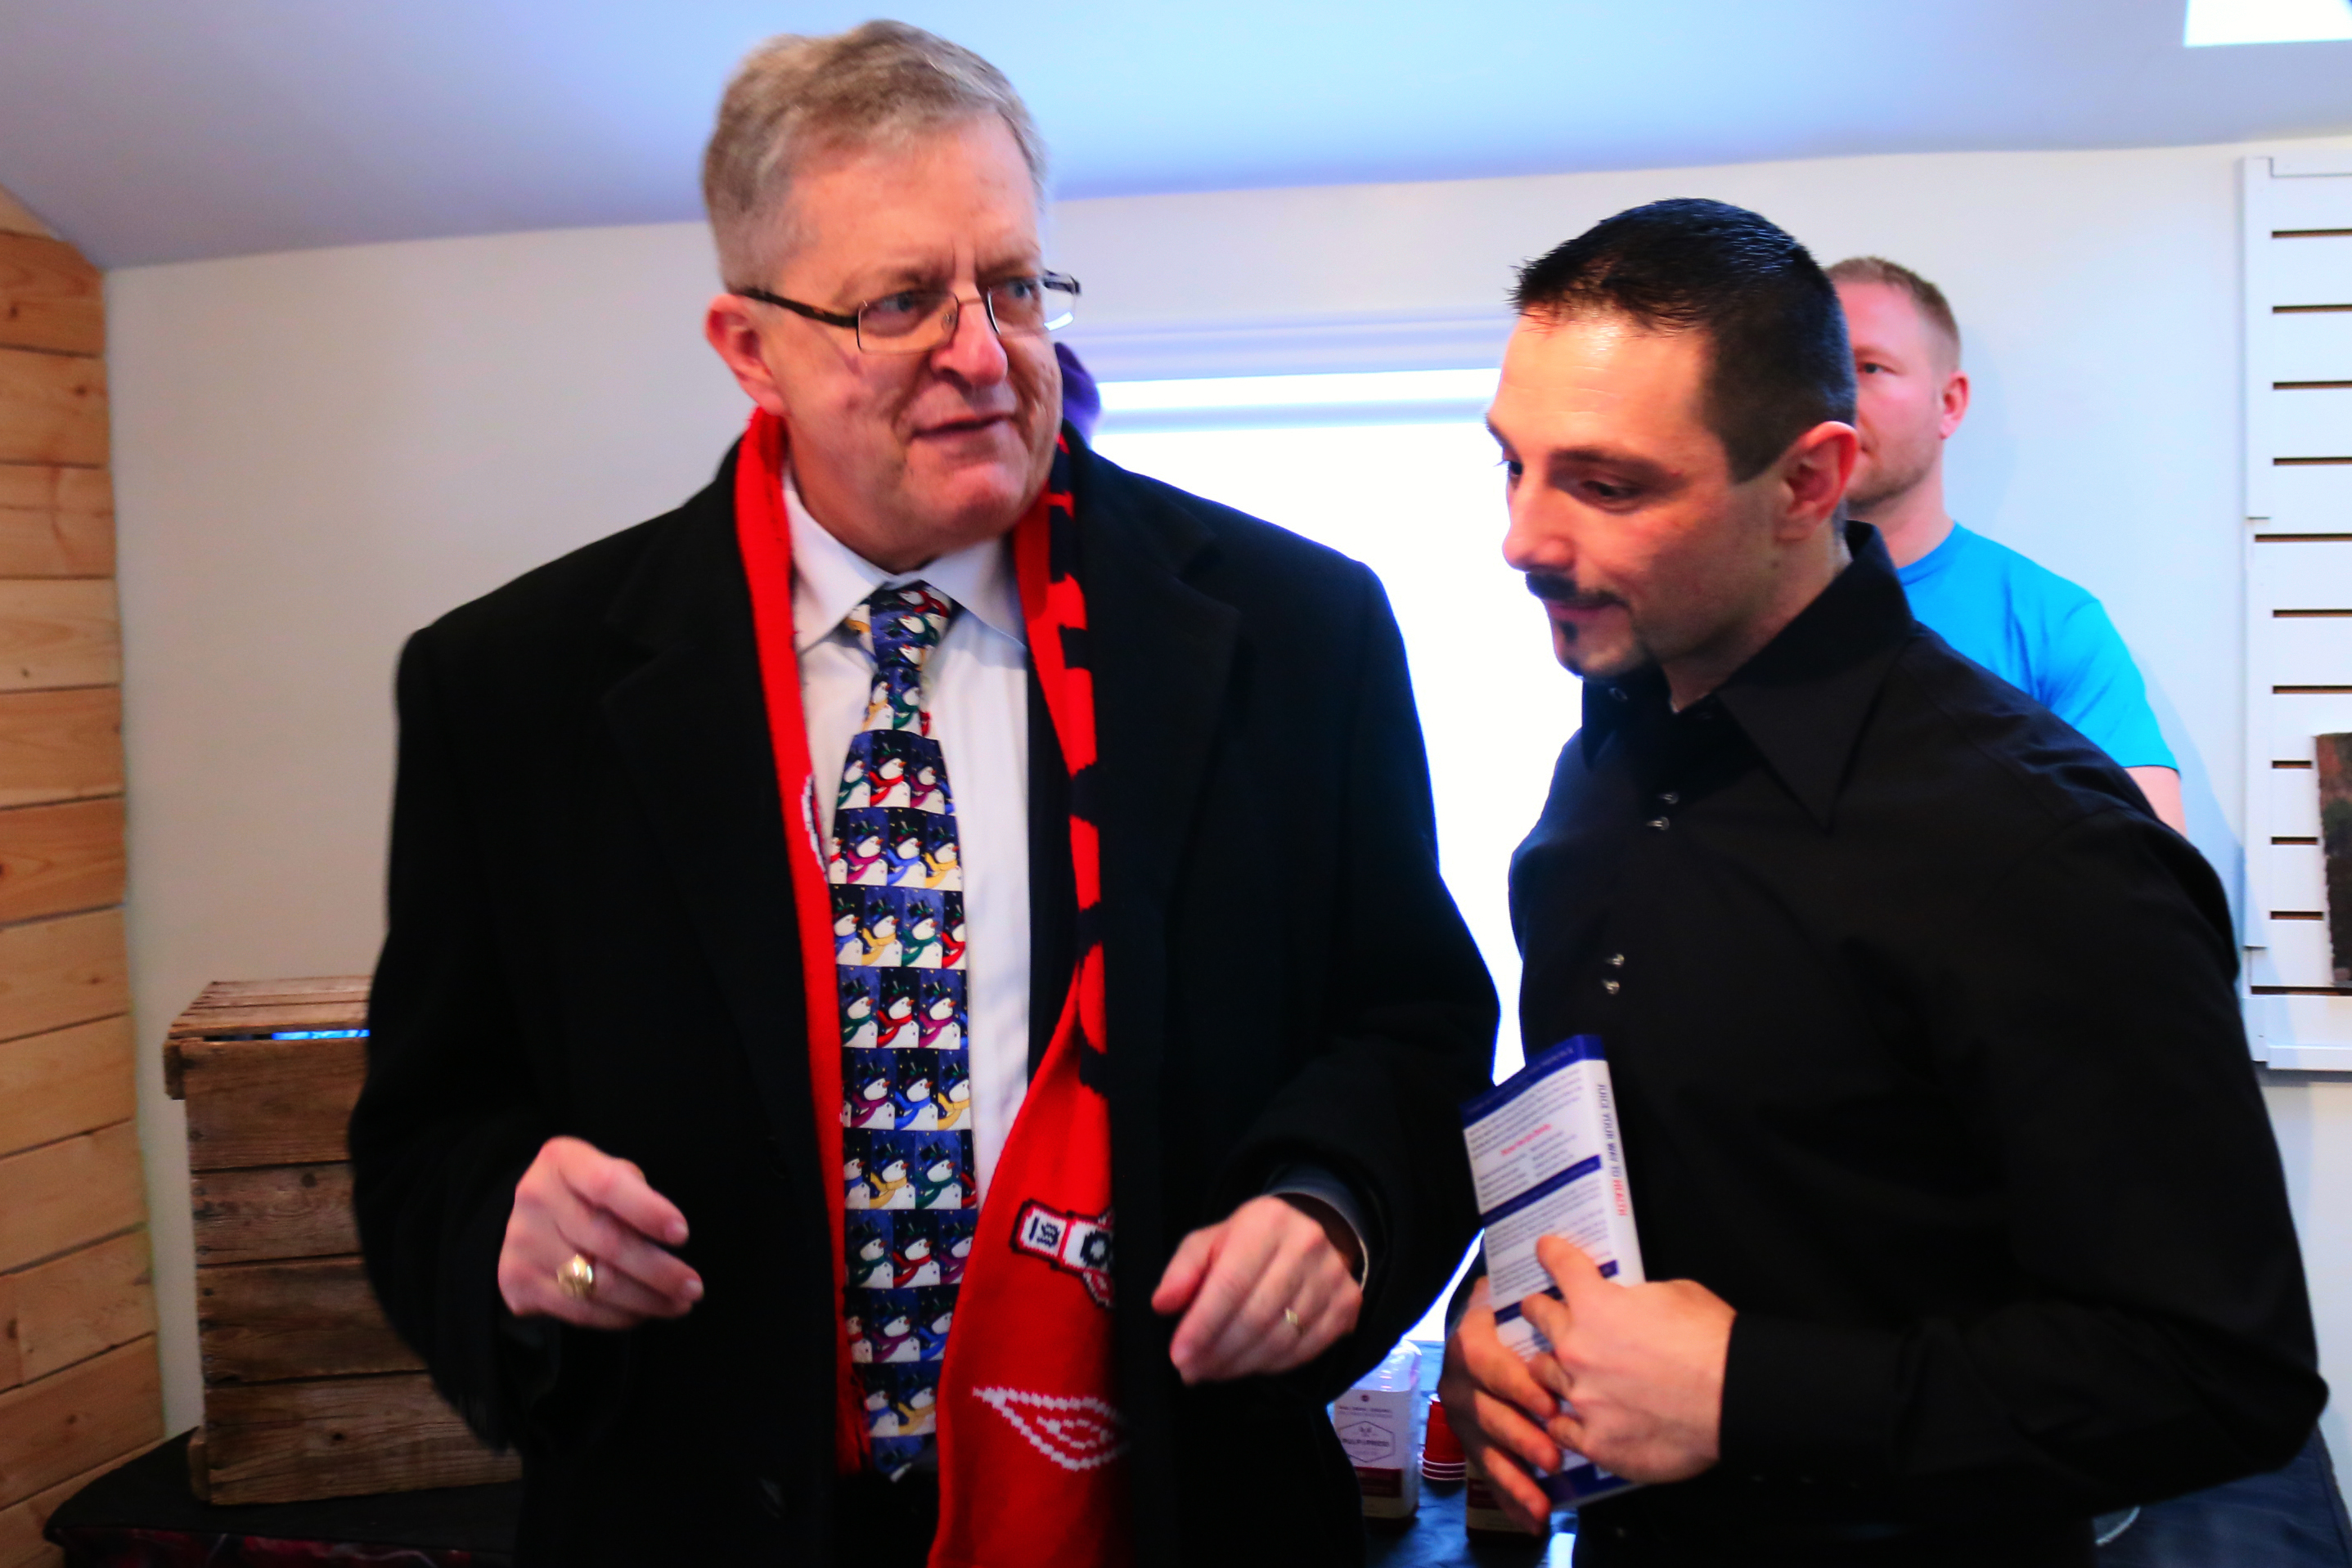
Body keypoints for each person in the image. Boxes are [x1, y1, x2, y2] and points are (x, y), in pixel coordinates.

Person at [348, 24, 1495, 1568]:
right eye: (900, 303)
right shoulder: (512, 688)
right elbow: (424, 1135)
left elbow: (1413, 1032)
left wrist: (1335, 1200)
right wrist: (506, 1218)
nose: (983, 352)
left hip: (1172, 1505)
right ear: (748, 346)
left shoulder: (1297, 632)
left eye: (1010, 285)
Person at [1440, 197, 2323, 1566]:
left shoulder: (2039, 843)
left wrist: (1749, 1392)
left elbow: (2218, 1373)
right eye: (1513, 464)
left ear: (1808, 482)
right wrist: (1494, 1321)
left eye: (1606, 486)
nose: (1523, 538)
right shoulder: (1601, 761)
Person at [1828, 256, 2186, 833]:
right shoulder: (1720, 613)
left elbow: (2156, 868)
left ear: (1948, 403)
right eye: (1810, 368)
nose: (1833, 393)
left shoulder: (2049, 625)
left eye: (1870, 367)